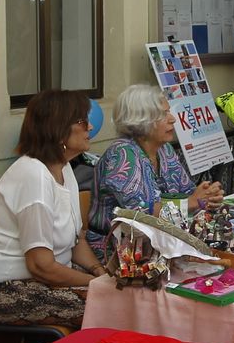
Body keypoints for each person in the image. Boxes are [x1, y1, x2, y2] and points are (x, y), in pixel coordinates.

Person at [0, 90, 107, 331]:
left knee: (122, 292)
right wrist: (97, 283)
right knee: (108, 306)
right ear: (58, 129)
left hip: (42, 280)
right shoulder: (33, 176)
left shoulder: (64, 169)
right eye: (82, 121)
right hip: (1, 289)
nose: (91, 127)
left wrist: (100, 272)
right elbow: (41, 266)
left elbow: (77, 241)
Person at [88, 85, 223, 253]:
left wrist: (206, 196)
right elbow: (140, 213)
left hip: (157, 244)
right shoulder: (122, 154)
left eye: (169, 112)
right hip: (116, 251)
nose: (172, 119)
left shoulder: (164, 149)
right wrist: (191, 202)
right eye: (163, 114)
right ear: (141, 120)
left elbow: (186, 192)